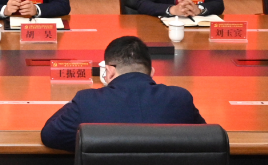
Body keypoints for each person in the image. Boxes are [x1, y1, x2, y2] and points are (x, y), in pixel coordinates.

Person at [40, 37, 203, 151]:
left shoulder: (87, 101)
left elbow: (50, 135)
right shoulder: (180, 98)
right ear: (151, 72)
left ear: (109, 71)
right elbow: (205, 140)